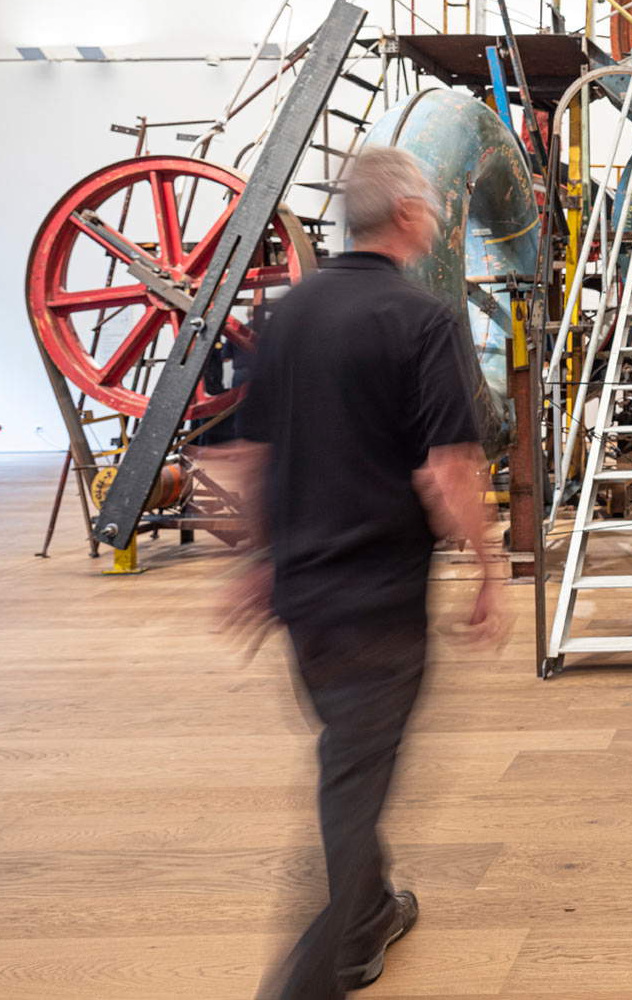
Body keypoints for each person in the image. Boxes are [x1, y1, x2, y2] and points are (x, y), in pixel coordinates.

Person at [220, 146, 508, 999]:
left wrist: (253, 563)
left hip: (303, 600)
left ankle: (377, 911)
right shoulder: (422, 319)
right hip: (379, 601)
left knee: (350, 756)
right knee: (353, 781)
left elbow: (252, 454)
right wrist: (491, 568)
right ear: (413, 217)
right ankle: (316, 974)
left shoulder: (291, 311)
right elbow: (445, 472)